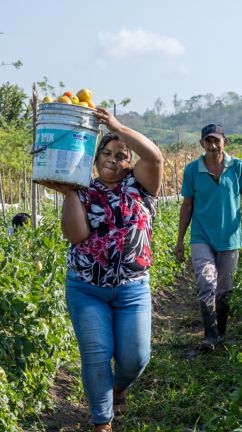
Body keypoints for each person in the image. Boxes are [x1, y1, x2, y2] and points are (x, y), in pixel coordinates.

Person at [39, 107, 163, 432]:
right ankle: (101, 423)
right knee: (96, 355)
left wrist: (116, 126)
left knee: (136, 357)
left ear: (130, 162)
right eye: (105, 153)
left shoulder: (141, 186)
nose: (112, 158)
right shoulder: (82, 190)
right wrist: (68, 193)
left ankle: (120, 387)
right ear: (95, 160)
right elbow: (76, 236)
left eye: (121, 155)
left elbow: (155, 156)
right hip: (85, 288)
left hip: (132, 288)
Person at [174, 124, 242, 352]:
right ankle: (210, 337)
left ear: (225, 142)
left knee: (225, 287)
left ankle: (220, 332)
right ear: (202, 144)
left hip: (229, 238)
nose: (213, 145)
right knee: (206, 282)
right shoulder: (193, 170)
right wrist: (180, 240)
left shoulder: (238, 168)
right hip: (201, 235)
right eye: (208, 141)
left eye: (217, 141)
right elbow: (187, 206)